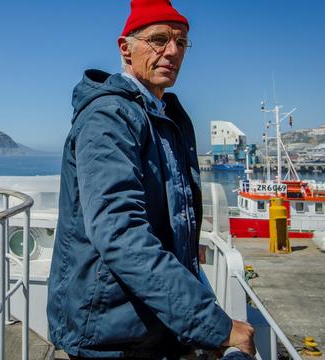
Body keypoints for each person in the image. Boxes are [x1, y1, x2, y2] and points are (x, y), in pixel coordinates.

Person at [47, 0, 255, 358]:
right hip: (111, 333)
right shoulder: (109, 118)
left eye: (181, 41)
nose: (172, 51)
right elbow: (119, 231)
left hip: (151, 326)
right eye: (158, 39)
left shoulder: (161, 115)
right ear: (125, 48)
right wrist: (214, 326)